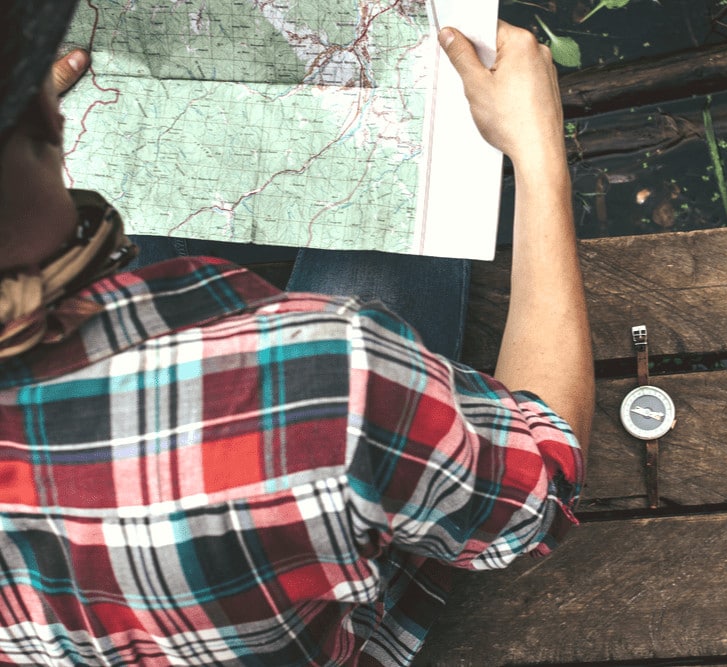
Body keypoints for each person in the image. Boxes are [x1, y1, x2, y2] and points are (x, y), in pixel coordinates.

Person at [0, 2, 593, 665]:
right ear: (42, 116)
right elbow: (546, 480)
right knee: (407, 149)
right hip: (315, 604)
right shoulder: (335, 388)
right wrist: (539, 155)